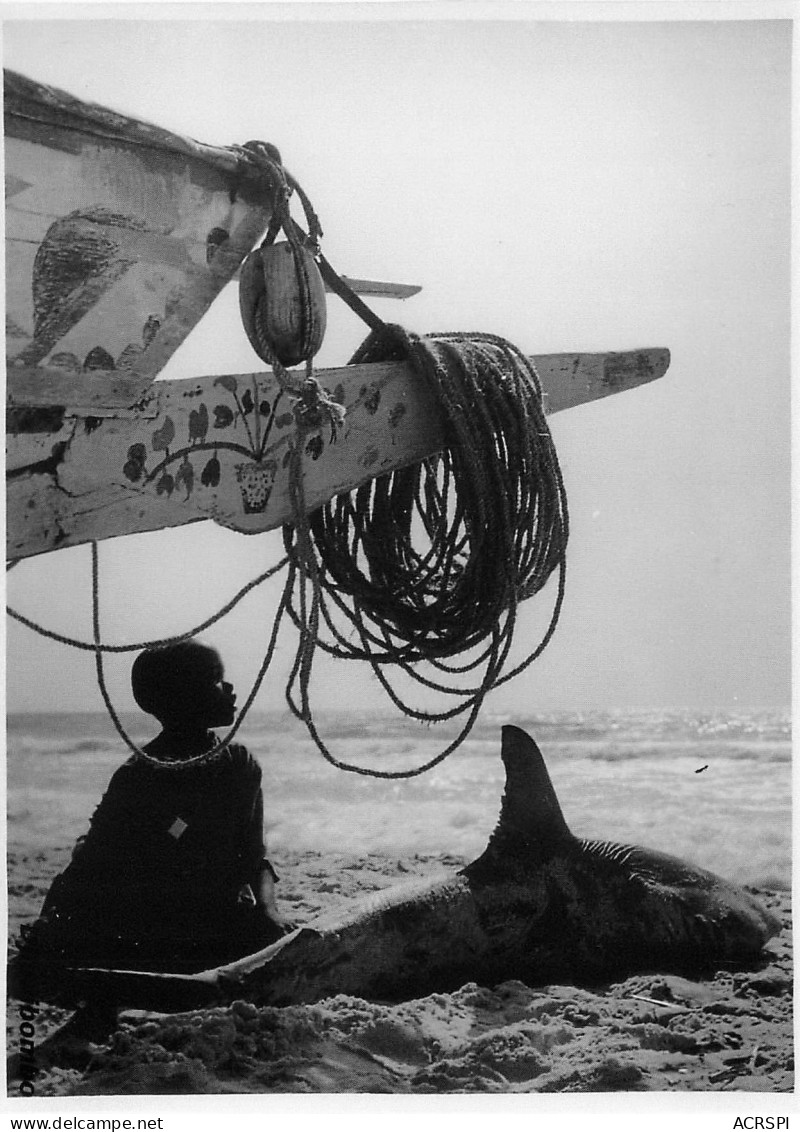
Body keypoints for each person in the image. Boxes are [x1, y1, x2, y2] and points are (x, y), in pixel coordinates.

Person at [14, 641, 290, 991]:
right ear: (183, 696)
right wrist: (51, 924)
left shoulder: (240, 765)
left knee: (263, 939)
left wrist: (269, 910)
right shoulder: (138, 775)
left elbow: (253, 856)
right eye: (217, 680)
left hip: (212, 916)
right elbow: (93, 862)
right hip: (149, 919)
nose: (231, 688)